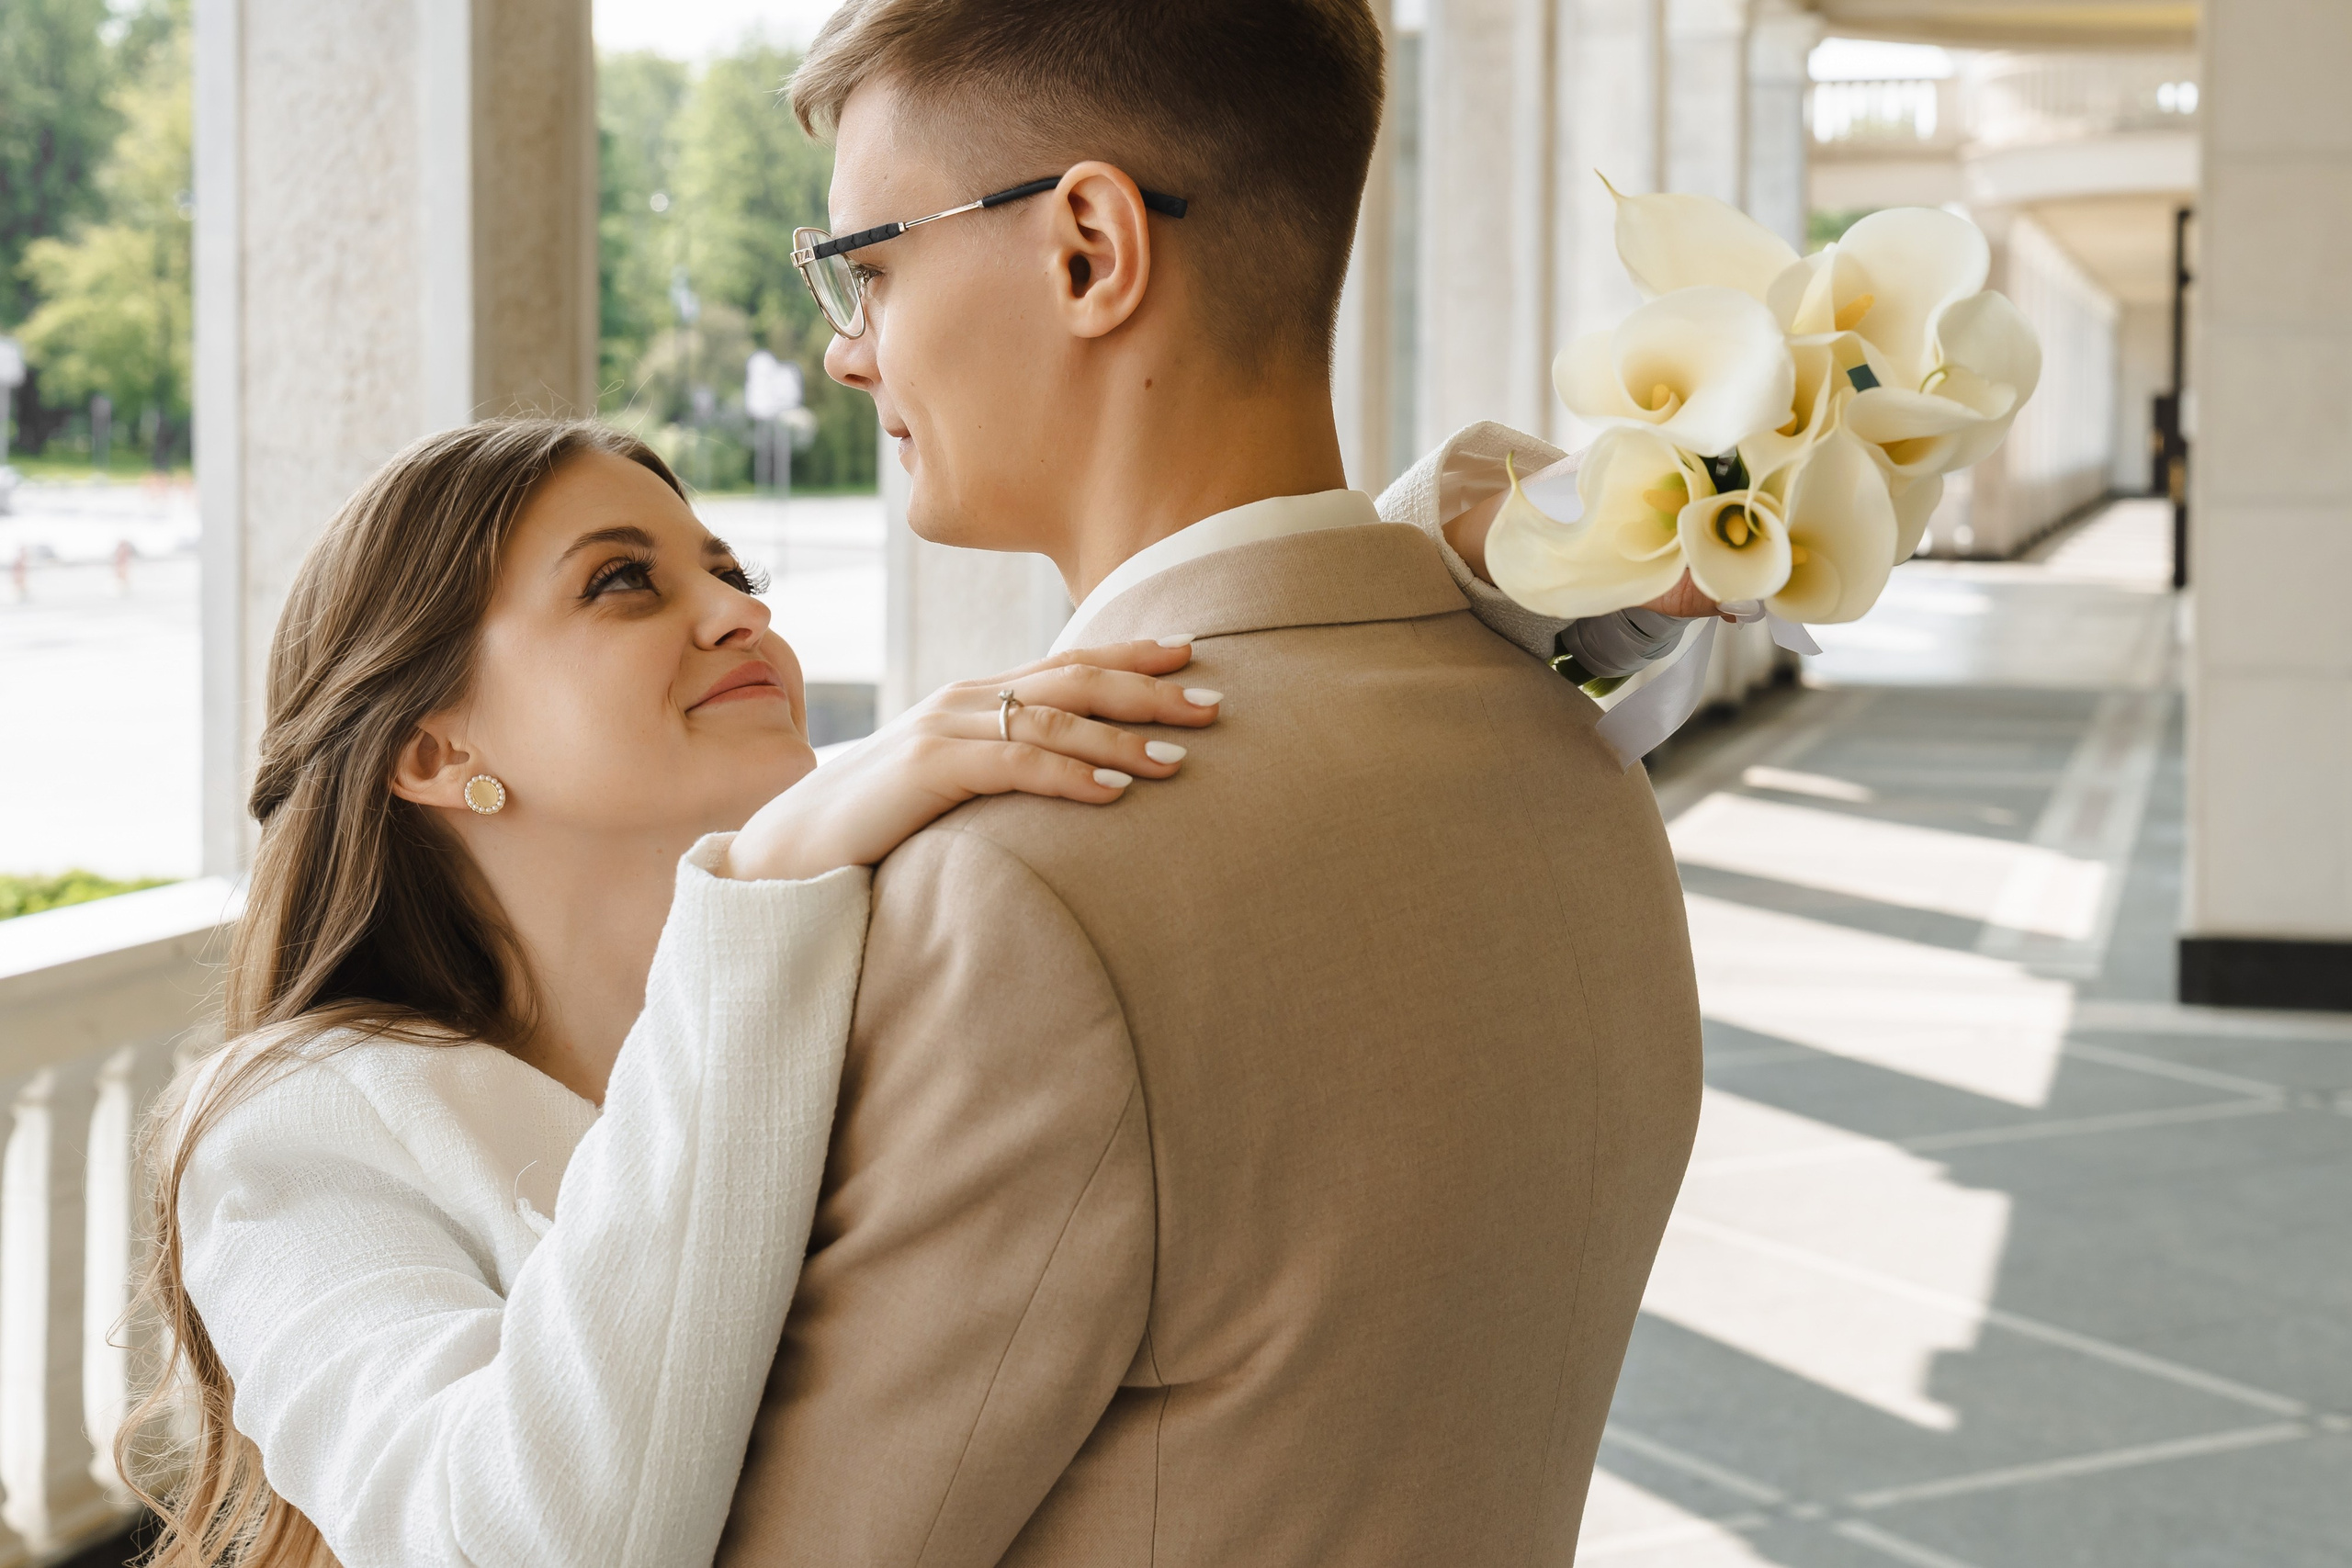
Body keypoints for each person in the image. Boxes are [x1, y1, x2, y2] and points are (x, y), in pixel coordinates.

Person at [717, 3, 1704, 1564]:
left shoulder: (1034, 875)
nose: (848, 348)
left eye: (874, 265)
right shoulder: (1576, 766)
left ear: (1089, 250)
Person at [130, 419, 1226, 1568]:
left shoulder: (886, 979)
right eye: (622, 583)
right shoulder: (295, 1126)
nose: (740, 613)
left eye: (729, 573)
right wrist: (753, 894)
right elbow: (513, 1546)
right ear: (434, 754)